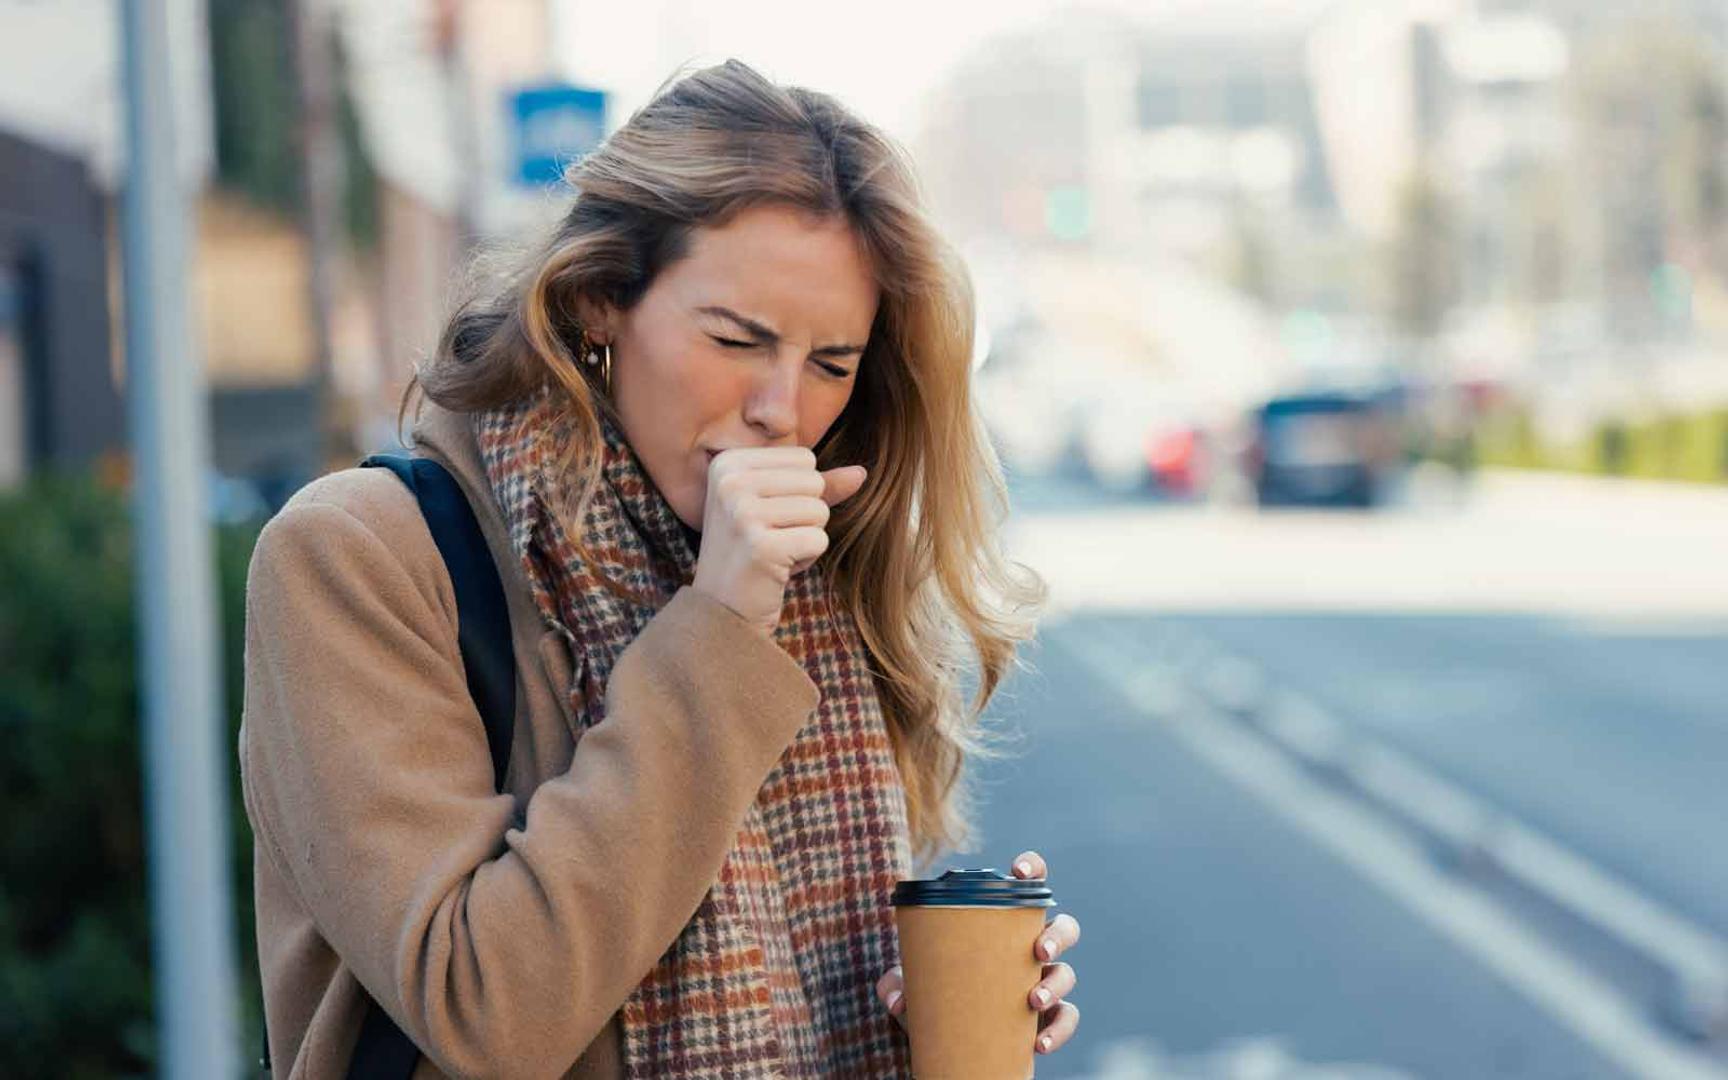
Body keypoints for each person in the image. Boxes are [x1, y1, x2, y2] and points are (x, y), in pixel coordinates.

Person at [240, 59, 1081, 1077]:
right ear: (600, 301)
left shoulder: (811, 588)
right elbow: (486, 1012)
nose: (783, 408)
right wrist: (718, 626)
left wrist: (919, 1019)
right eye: (738, 338)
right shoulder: (359, 556)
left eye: (831, 364)